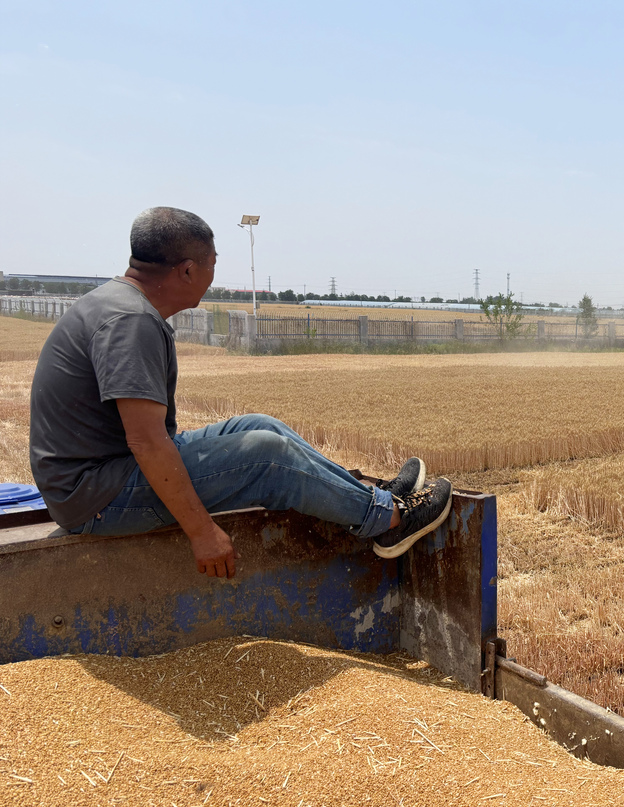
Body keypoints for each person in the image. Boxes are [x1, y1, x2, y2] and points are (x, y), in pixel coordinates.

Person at [28, 206, 451, 579]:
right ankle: (391, 519)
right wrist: (201, 532)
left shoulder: (119, 303)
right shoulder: (130, 321)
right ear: (188, 270)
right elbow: (147, 441)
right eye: (213, 263)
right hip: (97, 496)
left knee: (259, 426)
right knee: (267, 456)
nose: (214, 275)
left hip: (100, 477)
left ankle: (373, 498)